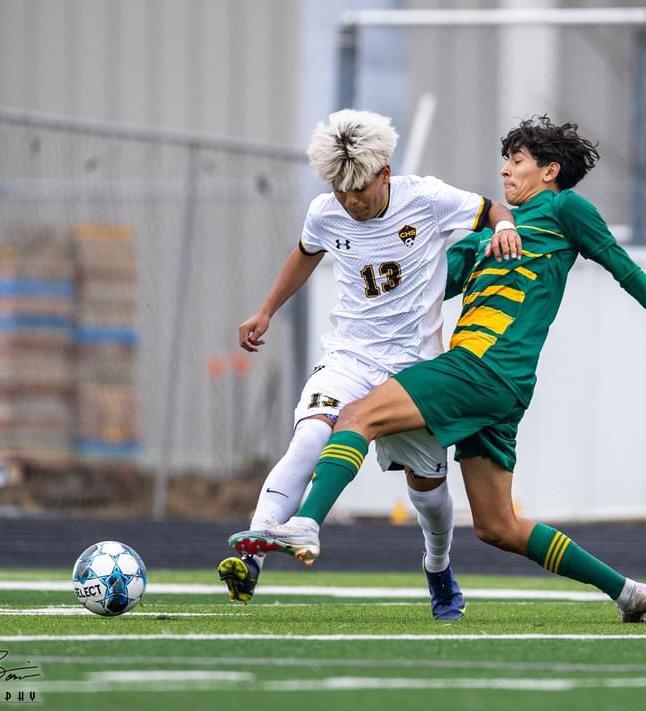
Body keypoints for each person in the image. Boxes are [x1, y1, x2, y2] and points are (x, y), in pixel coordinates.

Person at [229, 115, 646, 623]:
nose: (505, 170)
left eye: (517, 161)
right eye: (505, 160)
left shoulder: (565, 209)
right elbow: (416, 291)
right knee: (498, 526)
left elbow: (625, 269)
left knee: (354, 418)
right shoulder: (476, 243)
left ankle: (306, 523)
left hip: (481, 370)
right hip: (495, 387)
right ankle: (629, 593)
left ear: (550, 171)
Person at [218, 109, 521, 620]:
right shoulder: (326, 209)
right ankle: (250, 558)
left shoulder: (425, 198)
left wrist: (507, 225)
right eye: (340, 191)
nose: (350, 201)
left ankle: (438, 567)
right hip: (349, 356)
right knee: (311, 435)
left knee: (426, 492)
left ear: (385, 173)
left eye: (359, 189)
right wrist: (266, 309)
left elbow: (490, 208)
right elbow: (305, 252)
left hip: (414, 371)